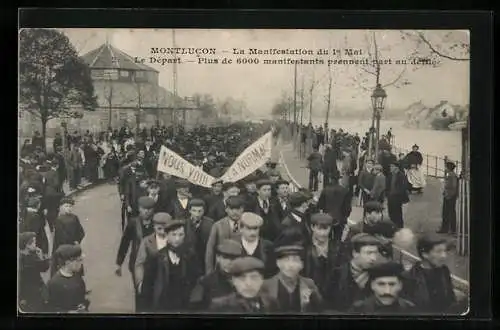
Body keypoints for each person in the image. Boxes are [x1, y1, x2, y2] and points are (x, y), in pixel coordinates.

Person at [115, 196, 155, 311]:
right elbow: (125, 242)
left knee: (153, 291)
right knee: (140, 291)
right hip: (137, 263)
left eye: (149, 209)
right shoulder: (133, 223)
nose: (146, 211)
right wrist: (119, 263)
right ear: (139, 209)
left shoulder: (156, 223)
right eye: (144, 208)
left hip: (153, 262)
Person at [151, 218, 201, 312]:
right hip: (163, 307)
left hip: (185, 307)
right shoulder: (157, 258)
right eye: (173, 235)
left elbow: (197, 281)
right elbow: (147, 287)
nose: (177, 239)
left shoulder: (191, 256)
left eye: (180, 235)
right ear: (167, 236)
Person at [261, 239, 323, 313]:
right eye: (286, 260)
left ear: (302, 265)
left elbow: (320, 310)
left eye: (295, 260)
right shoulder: (266, 285)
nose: (291, 265)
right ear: (278, 263)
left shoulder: (309, 284)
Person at [402, 234, 457, 313]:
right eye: (439, 251)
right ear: (425, 254)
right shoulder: (409, 278)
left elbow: (451, 299)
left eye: (445, 251)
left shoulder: (444, 271)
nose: (444, 256)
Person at [328, 233, 381, 312]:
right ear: (355, 253)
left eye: (375, 253)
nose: (373, 258)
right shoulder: (336, 274)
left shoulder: (379, 275)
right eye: (369, 253)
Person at [209, 257, 279, 313]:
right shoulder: (220, 305)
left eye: (254, 278)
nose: (248, 284)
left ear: (261, 280)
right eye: (242, 278)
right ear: (234, 281)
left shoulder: (271, 303)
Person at [134, 212, 172, 312]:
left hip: (171, 281)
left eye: (165, 228)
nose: (162, 231)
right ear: (154, 226)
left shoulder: (174, 240)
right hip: (153, 282)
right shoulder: (146, 241)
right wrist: (140, 282)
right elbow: (139, 263)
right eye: (159, 228)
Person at [189, 239, 243, 311]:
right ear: (218, 258)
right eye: (225, 257)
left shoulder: (246, 282)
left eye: (234, 259)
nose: (230, 262)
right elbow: (194, 311)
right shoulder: (204, 283)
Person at [302, 213, 340, 309]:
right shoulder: (304, 247)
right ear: (312, 227)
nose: (322, 233)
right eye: (319, 229)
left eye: (326, 229)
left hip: (332, 297)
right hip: (309, 295)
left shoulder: (338, 247)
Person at [349, 261, 416, 315]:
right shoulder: (358, 309)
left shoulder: (410, 309)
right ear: (372, 285)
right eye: (381, 284)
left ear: (400, 286)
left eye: (392, 284)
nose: (387, 291)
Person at [205, 196, 245, 274]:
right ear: (226, 209)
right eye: (232, 209)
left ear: (242, 209)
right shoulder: (218, 225)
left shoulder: (247, 225)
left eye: (238, 209)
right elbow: (210, 250)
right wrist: (209, 271)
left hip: (241, 266)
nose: (235, 212)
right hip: (221, 268)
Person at [47, 244, 90, 313]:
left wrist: (83, 305)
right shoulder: (54, 283)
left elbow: (81, 298)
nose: (81, 263)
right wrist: (67, 312)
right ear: (68, 262)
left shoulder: (78, 278)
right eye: (79, 260)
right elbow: (51, 308)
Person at [233, 212, 275, 278]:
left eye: (255, 229)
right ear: (241, 229)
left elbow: (273, 273)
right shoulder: (233, 245)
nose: (253, 232)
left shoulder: (268, 246)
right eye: (249, 228)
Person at [18, 232, 50, 312]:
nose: (36, 244)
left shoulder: (29, 255)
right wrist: (41, 256)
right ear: (27, 245)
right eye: (34, 242)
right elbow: (44, 267)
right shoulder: (29, 260)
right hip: (32, 291)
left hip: (33, 290)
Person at [52, 197, 85, 270]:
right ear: (61, 207)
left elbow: (81, 231)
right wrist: (73, 242)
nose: (69, 208)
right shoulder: (59, 220)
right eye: (66, 206)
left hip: (74, 244)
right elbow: (61, 236)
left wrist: (78, 240)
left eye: (70, 206)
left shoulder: (74, 217)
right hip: (65, 246)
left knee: (76, 264)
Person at [317, 172, 352, 242]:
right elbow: (347, 208)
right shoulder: (345, 191)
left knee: (326, 238)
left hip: (327, 217)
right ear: (339, 179)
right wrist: (345, 216)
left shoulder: (325, 190)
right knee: (338, 238)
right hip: (340, 217)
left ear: (330, 179)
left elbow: (320, 205)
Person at [184, 199, 215, 272]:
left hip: (205, 258)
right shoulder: (184, 224)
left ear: (204, 211)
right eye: (194, 211)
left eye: (200, 211)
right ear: (189, 211)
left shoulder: (210, 223)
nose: (197, 214)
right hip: (189, 260)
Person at [386, 161, 410, 229]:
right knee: (390, 212)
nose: (390, 168)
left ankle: (399, 226)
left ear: (396, 168)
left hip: (397, 198)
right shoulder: (390, 175)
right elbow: (387, 185)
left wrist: (396, 193)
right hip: (390, 197)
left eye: (392, 166)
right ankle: (392, 225)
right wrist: (387, 193)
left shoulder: (401, 175)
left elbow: (403, 187)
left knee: (397, 213)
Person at [438, 161, 459, 234]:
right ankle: (447, 228)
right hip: (448, 195)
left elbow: (453, 186)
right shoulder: (450, 174)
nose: (445, 168)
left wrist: (449, 195)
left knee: (448, 212)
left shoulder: (452, 175)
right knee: (448, 212)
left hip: (449, 196)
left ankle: (448, 229)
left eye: (446, 167)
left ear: (449, 168)